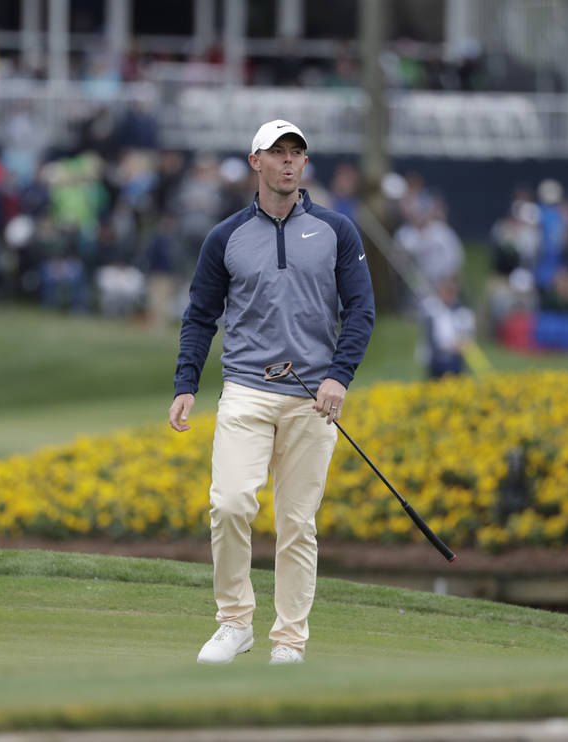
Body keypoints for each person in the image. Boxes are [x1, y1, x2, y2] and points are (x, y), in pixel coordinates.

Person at [168, 120, 375, 666]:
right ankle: (235, 623)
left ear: (304, 164)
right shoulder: (226, 237)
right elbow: (200, 316)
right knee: (231, 503)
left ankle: (289, 642)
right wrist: (186, 383)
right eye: (276, 152)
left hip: (313, 395)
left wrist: (339, 375)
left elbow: (361, 312)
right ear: (255, 161)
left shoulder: (337, 231)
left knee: (296, 523)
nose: (288, 161)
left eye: (296, 153)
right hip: (247, 390)